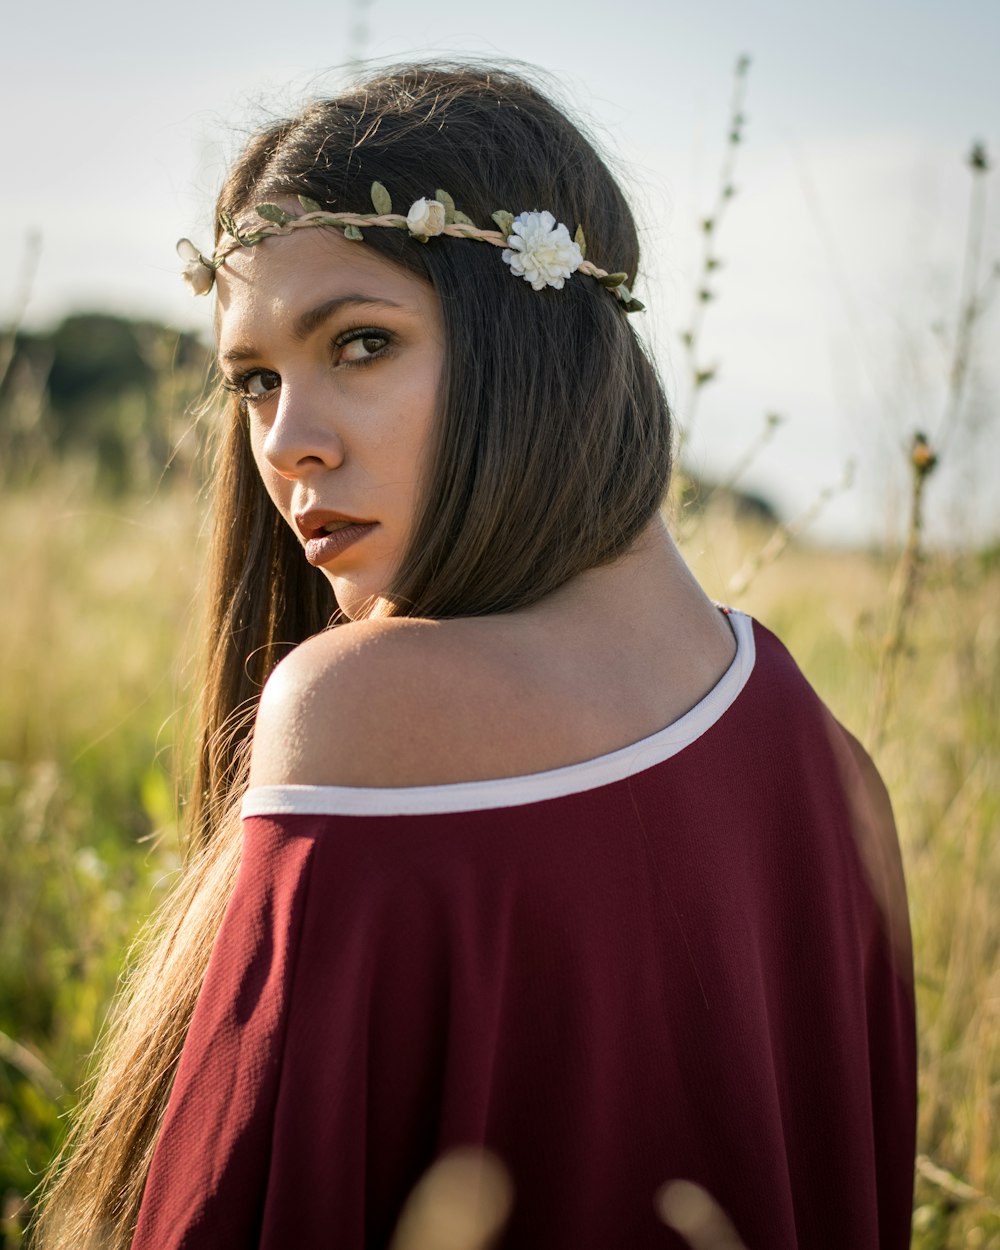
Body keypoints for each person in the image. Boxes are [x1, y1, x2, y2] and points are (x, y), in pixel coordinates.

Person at [34, 62, 916, 1250]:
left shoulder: (359, 708)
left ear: (531, 339)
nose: (286, 442)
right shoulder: (837, 772)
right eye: (252, 381)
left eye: (358, 342)